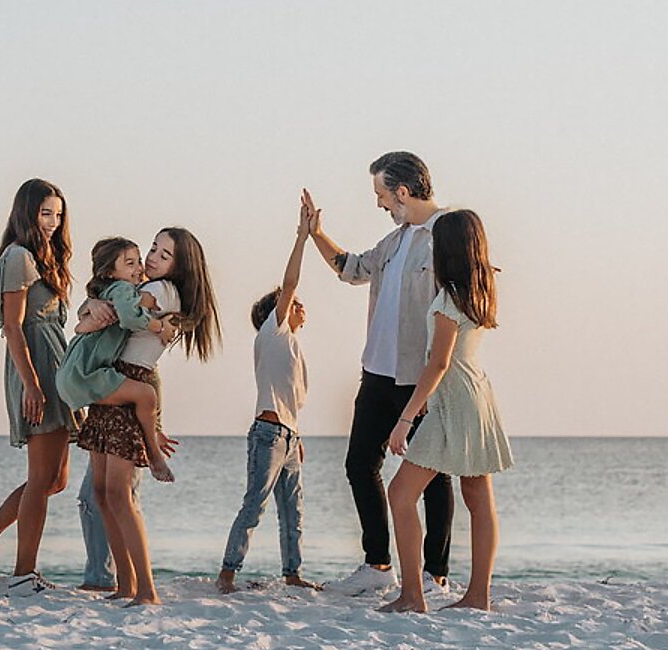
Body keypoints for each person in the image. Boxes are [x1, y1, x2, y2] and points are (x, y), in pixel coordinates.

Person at [302, 152, 454, 597]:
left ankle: (435, 574)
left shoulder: (445, 235)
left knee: (434, 475)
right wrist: (316, 235)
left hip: (419, 376)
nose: (380, 204)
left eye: (381, 194)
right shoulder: (395, 241)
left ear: (402, 192)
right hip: (377, 374)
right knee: (359, 465)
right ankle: (378, 565)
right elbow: (352, 269)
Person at [74, 227, 221, 606]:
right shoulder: (157, 290)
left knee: (119, 496)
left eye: (163, 254)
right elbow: (104, 303)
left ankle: (147, 589)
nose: (153, 258)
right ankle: (125, 585)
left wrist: (89, 308)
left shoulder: (160, 291)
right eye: (153, 248)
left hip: (126, 381)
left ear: (180, 265)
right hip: (114, 382)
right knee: (104, 494)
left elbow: (113, 310)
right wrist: (90, 305)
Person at [0, 178, 80, 597]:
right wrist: (33, 385)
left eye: (58, 215)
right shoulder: (19, 257)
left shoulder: (40, 257)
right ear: (26, 213)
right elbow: (12, 325)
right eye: (46, 214)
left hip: (53, 363)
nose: (53, 223)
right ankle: (24, 573)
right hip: (35, 366)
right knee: (42, 478)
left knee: (55, 479)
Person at [378, 210, 513, 613]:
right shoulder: (481, 288)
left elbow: (437, 364)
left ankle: (412, 596)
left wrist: (405, 419)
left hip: (453, 401)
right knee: (478, 497)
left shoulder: (449, 297)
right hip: (478, 395)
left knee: (400, 494)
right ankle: (478, 596)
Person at [216, 201, 318, 594]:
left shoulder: (290, 345)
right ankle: (227, 574)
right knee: (255, 505)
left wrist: (299, 436)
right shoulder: (272, 333)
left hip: (288, 436)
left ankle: (292, 573)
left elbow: (290, 397)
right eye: (293, 305)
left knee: (293, 510)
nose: (300, 307)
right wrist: (301, 237)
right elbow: (290, 284)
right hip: (268, 434)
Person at [56, 237, 178, 483]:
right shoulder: (122, 290)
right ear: (109, 272)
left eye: (139, 261)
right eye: (130, 264)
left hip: (74, 373)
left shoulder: (112, 290)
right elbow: (129, 318)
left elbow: (83, 323)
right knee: (146, 395)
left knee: (145, 395)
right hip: (84, 373)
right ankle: (154, 454)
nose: (139, 268)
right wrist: (158, 326)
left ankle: (153, 447)